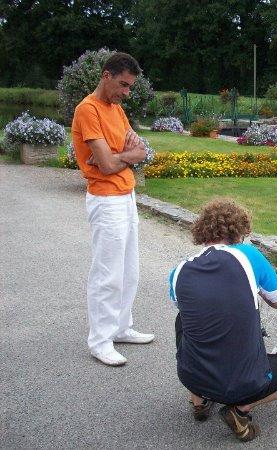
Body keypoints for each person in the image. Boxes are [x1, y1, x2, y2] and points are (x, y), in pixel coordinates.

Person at [169, 198, 277, 442]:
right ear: (240, 231)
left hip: (190, 374)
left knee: (183, 320)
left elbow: (192, 310)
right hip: (245, 383)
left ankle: (199, 401)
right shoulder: (248, 255)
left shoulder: (179, 271)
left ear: (202, 232)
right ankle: (240, 410)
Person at [72, 52, 154, 367]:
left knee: (128, 269)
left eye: (130, 87)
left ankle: (121, 327)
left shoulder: (116, 110)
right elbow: (104, 165)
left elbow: (140, 149)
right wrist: (124, 154)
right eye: (123, 84)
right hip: (105, 199)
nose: (126, 92)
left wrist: (121, 154)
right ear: (106, 76)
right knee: (107, 273)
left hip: (126, 195)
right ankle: (100, 341)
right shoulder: (88, 110)